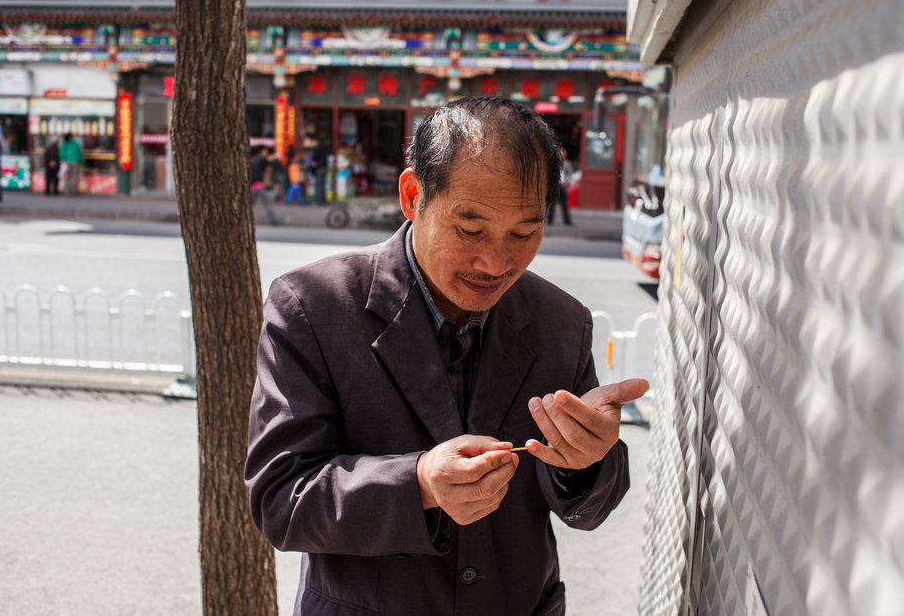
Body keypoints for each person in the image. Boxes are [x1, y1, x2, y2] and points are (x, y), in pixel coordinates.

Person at [245, 96, 647, 615]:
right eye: (471, 228)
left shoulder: (561, 322)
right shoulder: (314, 307)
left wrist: (587, 463)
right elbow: (280, 500)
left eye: (524, 232)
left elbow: (591, 508)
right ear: (413, 196)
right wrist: (417, 484)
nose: (496, 261)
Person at [250, 145, 278, 225]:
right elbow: (272, 163)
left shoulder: (254, 159)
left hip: (254, 185)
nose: (266, 152)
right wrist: (275, 158)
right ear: (262, 151)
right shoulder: (261, 159)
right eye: (265, 151)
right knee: (267, 203)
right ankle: (273, 220)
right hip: (259, 185)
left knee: (251, 204)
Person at [546, 145, 573, 225]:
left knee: (565, 204)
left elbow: (570, 174)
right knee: (552, 205)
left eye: (564, 152)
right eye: (560, 152)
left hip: (563, 186)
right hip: (555, 186)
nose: (562, 154)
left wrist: (567, 182)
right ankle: (550, 220)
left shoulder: (567, 163)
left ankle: (567, 221)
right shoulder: (554, 163)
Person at [309, 134, 329, 205]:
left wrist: (313, 163)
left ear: (315, 141)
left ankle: (319, 201)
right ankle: (323, 200)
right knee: (322, 185)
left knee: (318, 185)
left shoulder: (317, 148)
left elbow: (314, 158)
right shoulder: (323, 147)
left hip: (320, 168)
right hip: (325, 167)